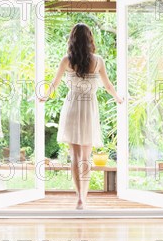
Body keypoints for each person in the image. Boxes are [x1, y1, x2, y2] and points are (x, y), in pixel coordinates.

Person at [39, 23, 123, 209]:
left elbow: (54, 84)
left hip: (72, 108)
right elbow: (108, 86)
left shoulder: (66, 60)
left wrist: (44, 97)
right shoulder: (98, 61)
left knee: (75, 157)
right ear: (90, 39)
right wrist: (119, 98)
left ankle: (79, 198)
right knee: (86, 157)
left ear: (72, 40)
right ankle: (83, 198)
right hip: (88, 110)